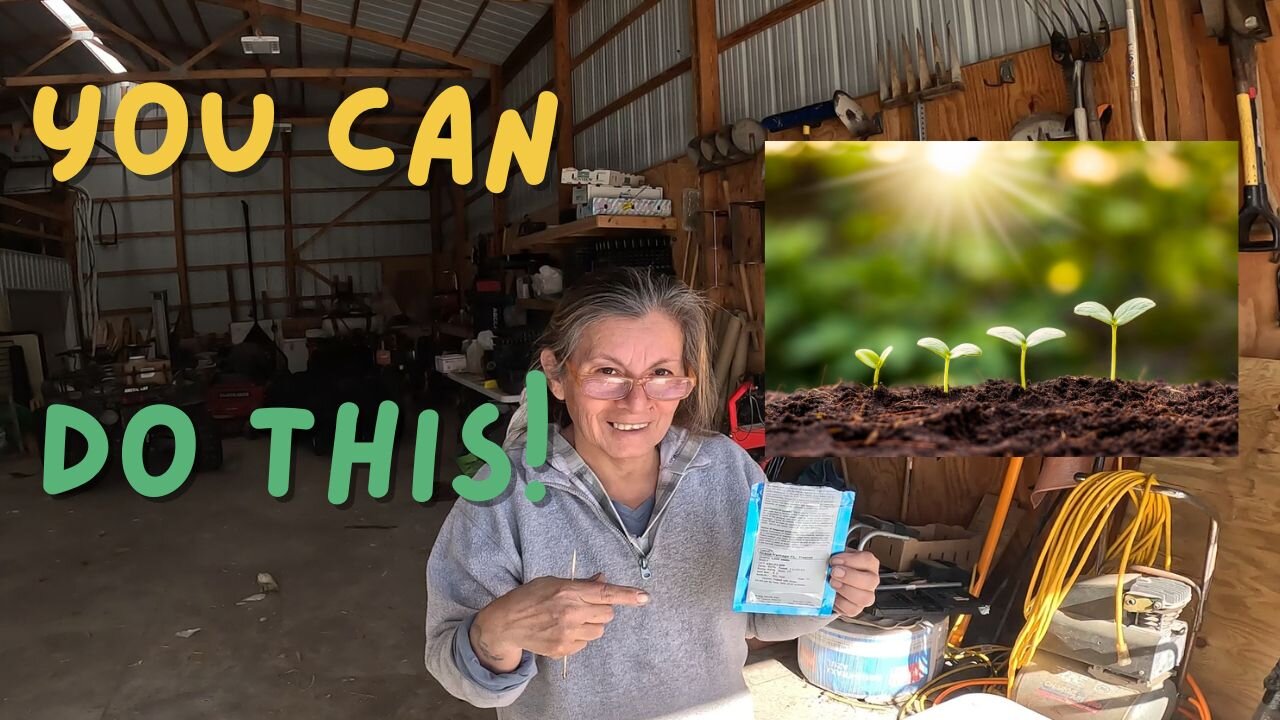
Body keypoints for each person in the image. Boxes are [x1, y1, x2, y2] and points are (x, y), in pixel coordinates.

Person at [424, 268, 880, 719]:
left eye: (660, 373)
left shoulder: (725, 469)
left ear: (687, 379)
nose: (636, 403)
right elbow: (453, 665)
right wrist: (498, 629)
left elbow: (762, 617)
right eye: (607, 372)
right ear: (556, 375)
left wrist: (832, 596)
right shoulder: (503, 494)